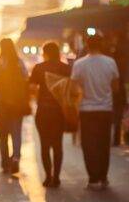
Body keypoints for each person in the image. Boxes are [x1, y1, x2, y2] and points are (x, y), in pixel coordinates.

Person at [71, 33, 119, 190]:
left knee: (89, 144)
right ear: (101, 44)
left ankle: (93, 178)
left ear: (87, 45)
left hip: (87, 110)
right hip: (105, 109)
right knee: (103, 144)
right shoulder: (110, 62)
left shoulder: (79, 64)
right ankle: (103, 177)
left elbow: (73, 88)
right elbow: (116, 87)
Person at [0, 38, 31, 175]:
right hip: (17, 103)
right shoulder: (19, 62)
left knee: (3, 135)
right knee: (16, 133)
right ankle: (16, 157)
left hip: (1, 103)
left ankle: (5, 163)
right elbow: (26, 81)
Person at [28, 42, 71, 188]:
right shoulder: (66, 68)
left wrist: (39, 95)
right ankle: (57, 177)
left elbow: (32, 88)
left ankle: (48, 177)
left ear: (44, 53)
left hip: (43, 111)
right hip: (59, 111)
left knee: (45, 145)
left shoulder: (39, 68)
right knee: (58, 144)